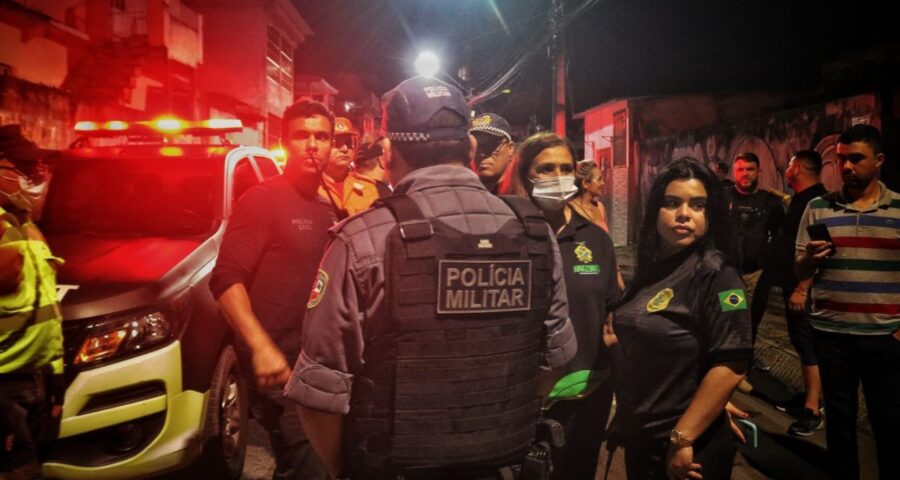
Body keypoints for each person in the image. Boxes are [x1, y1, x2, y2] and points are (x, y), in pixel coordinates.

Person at [284, 76, 577, 480]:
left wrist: (344, 471)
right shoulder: (534, 234)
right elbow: (557, 357)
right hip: (502, 468)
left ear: (389, 152)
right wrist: (492, 424)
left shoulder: (361, 241)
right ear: (470, 147)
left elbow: (317, 398)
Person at [209, 99, 336, 480]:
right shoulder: (263, 200)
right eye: (301, 135)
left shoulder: (328, 204)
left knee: (316, 465)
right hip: (281, 366)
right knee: (308, 466)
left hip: (320, 363)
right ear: (285, 143)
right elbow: (225, 279)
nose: (312, 145)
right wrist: (261, 347)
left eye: (322, 136)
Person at [607, 158, 752, 480]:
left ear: (710, 214)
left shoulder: (717, 275)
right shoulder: (652, 270)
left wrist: (683, 437)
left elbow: (732, 364)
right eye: (672, 203)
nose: (684, 214)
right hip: (642, 436)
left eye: (697, 205)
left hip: (686, 449)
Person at [795, 124, 900, 480]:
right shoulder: (818, 207)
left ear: (879, 160)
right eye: (841, 159)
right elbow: (798, 267)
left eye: (856, 159)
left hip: (885, 337)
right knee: (839, 423)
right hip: (831, 335)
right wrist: (810, 258)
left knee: (890, 423)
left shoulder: (899, 209)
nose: (847, 167)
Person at [513, 132, 619, 480]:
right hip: (521, 399)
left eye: (565, 168)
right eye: (545, 168)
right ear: (526, 175)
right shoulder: (506, 235)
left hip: (585, 395)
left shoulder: (596, 239)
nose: (558, 177)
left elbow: (612, 312)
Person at [0, 125, 64, 479]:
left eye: (37, 167)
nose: (35, 176)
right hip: (5, 380)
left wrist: (55, 371)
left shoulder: (26, 224)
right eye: (24, 167)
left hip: (39, 373)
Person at [772, 150, 827, 436]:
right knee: (799, 339)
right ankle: (809, 396)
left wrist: (803, 288)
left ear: (801, 168)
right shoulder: (801, 198)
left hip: (802, 291)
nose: (786, 167)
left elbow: (818, 251)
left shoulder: (816, 202)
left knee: (807, 344)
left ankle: (812, 410)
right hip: (791, 285)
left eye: (791, 163)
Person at [725, 152, 785, 347]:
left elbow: (779, 237)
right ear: (734, 172)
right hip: (729, 274)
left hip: (756, 275)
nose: (745, 174)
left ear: (759, 171)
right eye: (740, 169)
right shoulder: (722, 199)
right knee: (730, 317)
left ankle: (746, 363)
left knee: (750, 321)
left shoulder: (769, 203)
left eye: (750, 169)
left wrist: (769, 267)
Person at [320, 117, 384, 216]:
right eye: (336, 143)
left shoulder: (367, 187)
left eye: (349, 143)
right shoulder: (312, 188)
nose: (345, 149)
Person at [470, 113, 516, 194]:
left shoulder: (522, 186)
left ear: (510, 148)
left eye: (492, 145)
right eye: (477, 145)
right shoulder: (466, 184)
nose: (482, 153)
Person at [569, 159, 610, 231]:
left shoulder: (600, 207)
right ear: (585, 183)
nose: (603, 183)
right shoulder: (570, 208)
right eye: (599, 179)